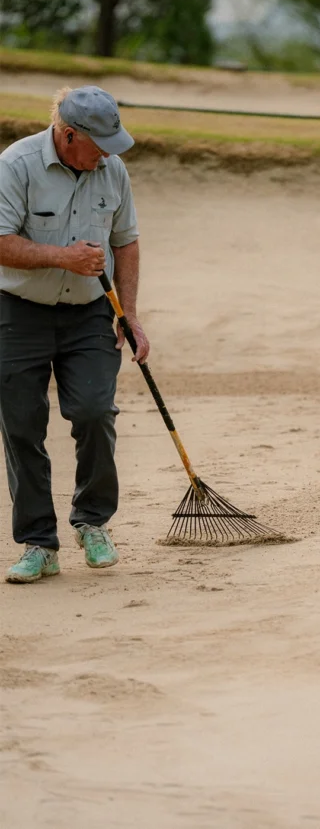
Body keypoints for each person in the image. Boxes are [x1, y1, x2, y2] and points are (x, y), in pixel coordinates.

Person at [0, 85, 150, 583]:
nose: (109, 152)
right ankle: (38, 543)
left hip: (89, 314)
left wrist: (128, 313)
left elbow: (125, 242)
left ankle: (93, 522)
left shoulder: (112, 170)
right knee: (22, 424)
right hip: (18, 311)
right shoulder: (16, 165)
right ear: (68, 136)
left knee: (92, 412)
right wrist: (63, 256)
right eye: (100, 143)